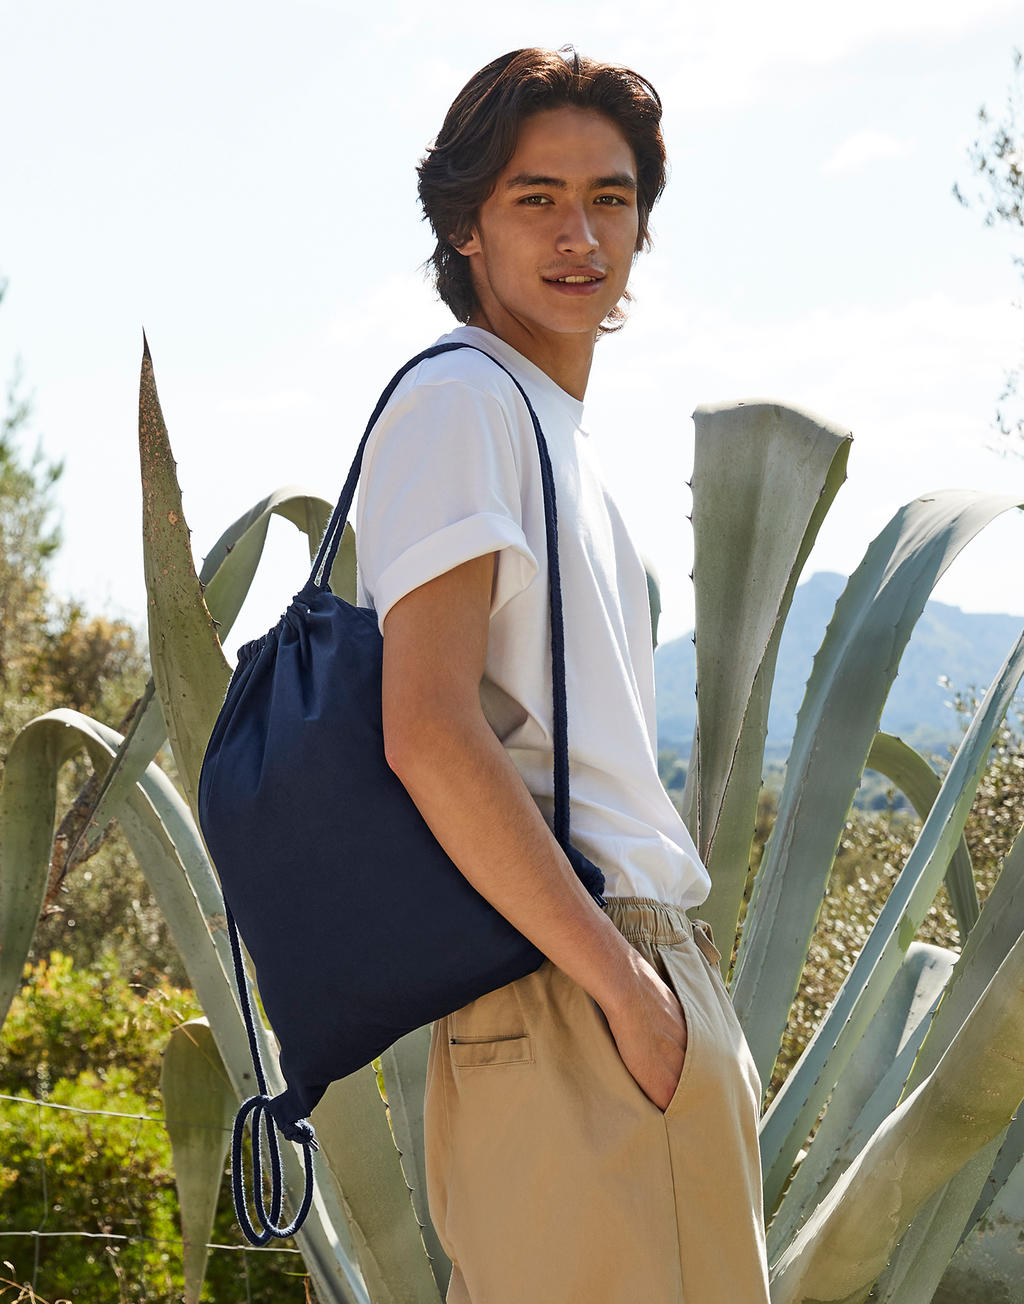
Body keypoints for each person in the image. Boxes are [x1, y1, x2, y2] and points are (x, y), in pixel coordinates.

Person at [354, 46, 770, 1304]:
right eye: (535, 197)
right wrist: (628, 994)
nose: (579, 233)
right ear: (465, 223)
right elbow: (427, 729)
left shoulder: (545, 426)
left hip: (594, 984)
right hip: (580, 978)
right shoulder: (464, 401)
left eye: (610, 197)